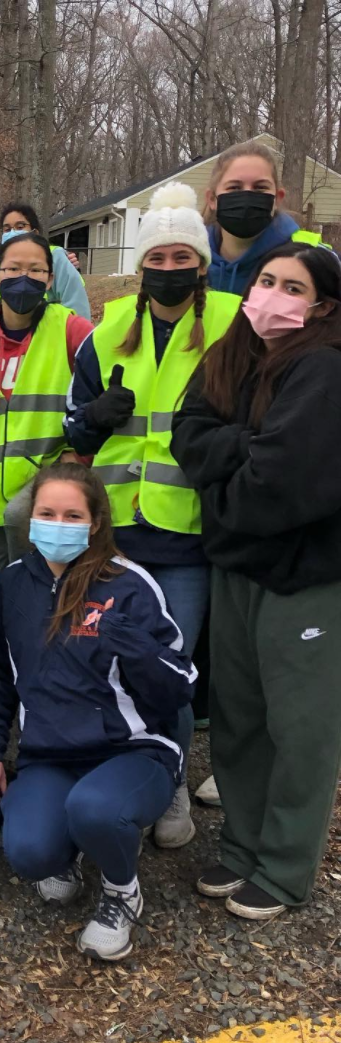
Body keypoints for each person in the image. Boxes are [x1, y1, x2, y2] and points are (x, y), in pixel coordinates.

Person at [64, 183, 242, 849]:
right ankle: (115, 769)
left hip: (189, 533)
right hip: (116, 533)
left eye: (181, 257)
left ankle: (170, 785)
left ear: (199, 264)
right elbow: (71, 427)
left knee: (169, 667)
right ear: (141, 267)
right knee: (106, 658)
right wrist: (92, 418)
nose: (169, 268)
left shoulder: (233, 325)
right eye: (157, 258)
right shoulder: (107, 331)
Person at [172, 241, 341, 920]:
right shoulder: (231, 354)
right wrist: (245, 446)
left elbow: (283, 481)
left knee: (298, 725)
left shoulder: (323, 368)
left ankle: (284, 865)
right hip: (235, 568)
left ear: (322, 306)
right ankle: (241, 846)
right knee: (237, 716)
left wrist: (223, 484)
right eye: (267, 280)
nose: (272, 296)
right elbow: (187, 435)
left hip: (303, 576)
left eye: (293, 288)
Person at [0, 462, 195, 961]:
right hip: (49, 755)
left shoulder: (130, 584)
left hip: (132, 751)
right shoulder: (10, 586)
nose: (58, 525)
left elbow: (180, 686)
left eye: (73, 516)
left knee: (96, 809)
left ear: (95, 523)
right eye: (47, 513)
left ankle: (121, 889)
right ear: (29, 518)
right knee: (28, 853)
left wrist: (135, 646)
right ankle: (68, 847)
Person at [0, 232, 93, 574]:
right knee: (4, 579)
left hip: (51, 475)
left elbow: (98, 398)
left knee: (35, 572)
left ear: (50, 279)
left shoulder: (71, 329)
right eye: (13, 269)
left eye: (36, 270)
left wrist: (79, 457)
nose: (24, 278)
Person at [204, 141, 334, 295]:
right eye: (234, 187)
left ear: (277, 198)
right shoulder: (187, 258)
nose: (247, 196)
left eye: (260, 187)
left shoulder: (314, 258)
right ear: (212, 199)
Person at [0, 204, 90, 319]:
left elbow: (76, 302)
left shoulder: (54, 255)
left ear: (35, 232)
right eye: (7, 229)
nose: (12, 233)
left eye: (20, 227)